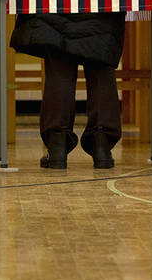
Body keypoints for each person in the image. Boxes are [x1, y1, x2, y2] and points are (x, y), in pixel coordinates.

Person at [9, 12, 126, 169]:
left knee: (59, 66)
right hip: (101, 4)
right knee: (100, 60)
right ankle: (102, 144)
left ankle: (57, 144)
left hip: (55, 4)